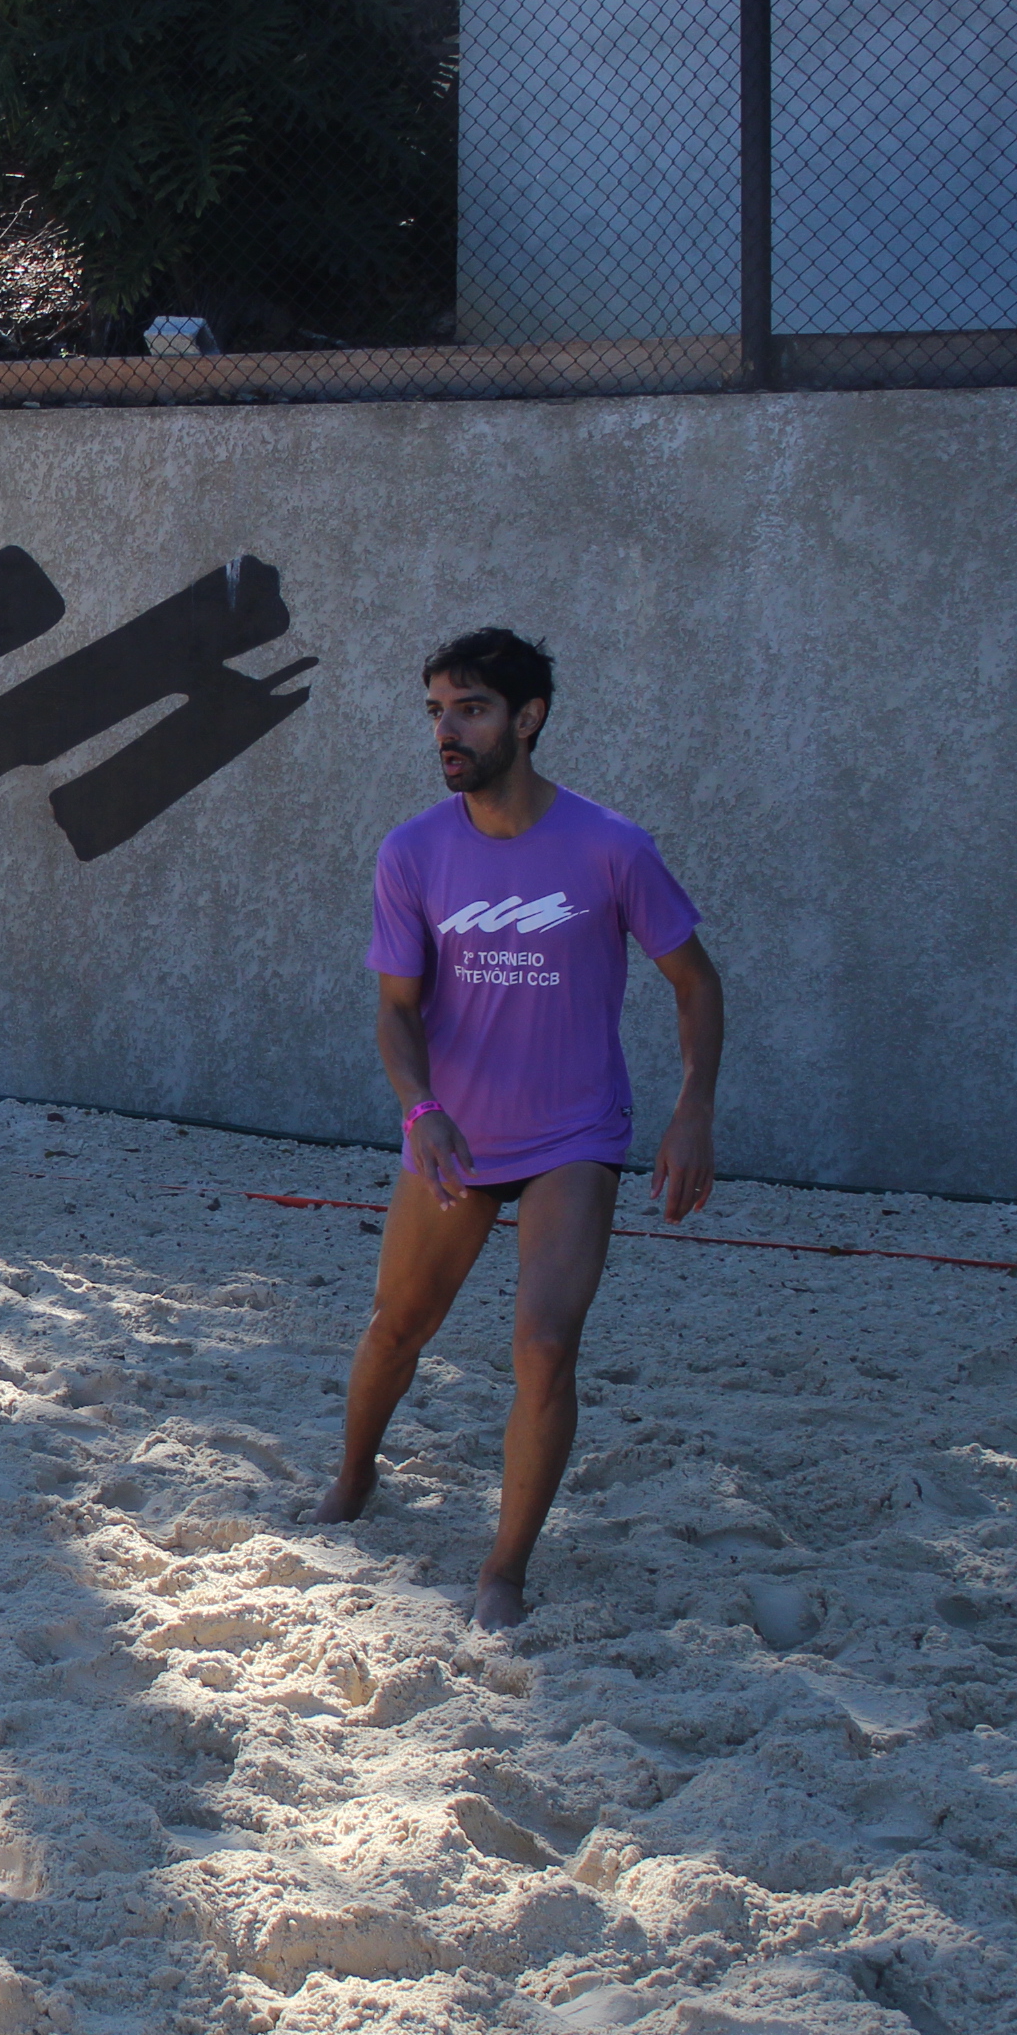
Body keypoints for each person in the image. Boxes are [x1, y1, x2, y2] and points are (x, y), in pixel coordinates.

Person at [312, 627, 724, 1630]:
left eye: (472, 709)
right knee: (399, 1326)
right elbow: (397, 1010)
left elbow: (696, 984)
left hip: (576, 1134)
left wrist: (693, 1112)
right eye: (437, 712)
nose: (448, 731)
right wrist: (422, 1110)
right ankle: (355, 1478)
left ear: (528, 719)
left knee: (542, 1348)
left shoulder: (610, 848)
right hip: (455, 1134)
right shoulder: (412, 851)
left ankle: (503, 1571)